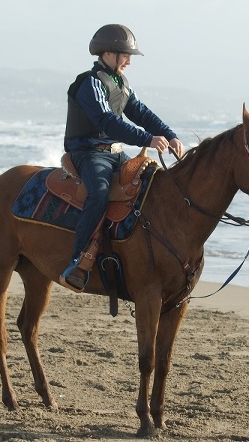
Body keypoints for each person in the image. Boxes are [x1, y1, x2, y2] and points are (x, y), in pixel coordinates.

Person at [60, 24, 185, 292]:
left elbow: (140, 112)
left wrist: (169, 135)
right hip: (88, 152)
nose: (129, 61)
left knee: (151, 181)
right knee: (100, 193)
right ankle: (77, 262)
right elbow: (106, 120)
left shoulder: (120, 82)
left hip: (115, 152)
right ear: (107, 53)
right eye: (125, 55)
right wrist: (147, 139)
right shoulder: (89, 83)